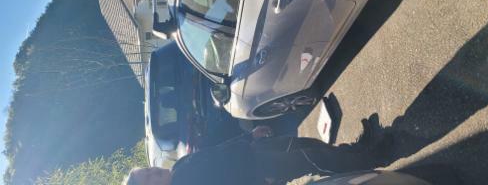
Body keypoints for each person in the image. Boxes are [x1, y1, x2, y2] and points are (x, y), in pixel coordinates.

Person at [123, 119, 393, 185]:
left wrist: (248, 136)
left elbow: (218, 150)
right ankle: (373, 157)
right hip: (262, 170)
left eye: (148, 170)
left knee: (310, 146)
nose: (154, 171)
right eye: (149, 178)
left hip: (256, 149)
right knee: (317, 160)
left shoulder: (179, 166)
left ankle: (360, 149)